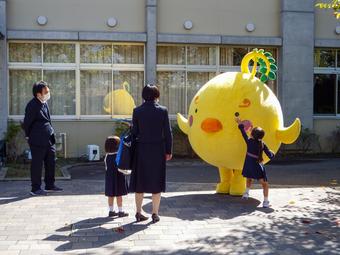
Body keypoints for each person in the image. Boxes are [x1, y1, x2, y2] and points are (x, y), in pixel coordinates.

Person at [129, 84, 173, 223]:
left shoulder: (137, 111)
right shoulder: (162, 111)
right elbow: (167, 133)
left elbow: (134, 133)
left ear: (143, 96)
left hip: (141, 150)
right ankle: (155, 213)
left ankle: (138, 212)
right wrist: (168, 150)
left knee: (140, 182)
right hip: (157, 151)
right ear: (156, 96)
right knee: (156, 182)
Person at [23, 81, 62, 196]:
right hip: (37, 139)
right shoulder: (32, 105)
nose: (48, 93)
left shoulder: (44, 103)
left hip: (48, 138)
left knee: (51, 161)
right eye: (46, 92)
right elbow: (27, 123)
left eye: (48, 91)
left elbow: (48, 120)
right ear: (38, 94)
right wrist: (28, 136)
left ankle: (50, 185)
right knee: (37, 164)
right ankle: (35, 188)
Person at [235, 116, 274, 208]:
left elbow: (243, 132)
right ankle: (265, 202)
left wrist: (240, 123)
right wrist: (273, 153)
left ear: (252, 135)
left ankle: (246, 193)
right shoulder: (262, 144)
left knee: (249, 178)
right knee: (265, 184)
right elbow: (270, 155)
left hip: (248, 164)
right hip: (257, 166)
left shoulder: (249, 141)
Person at [104, 136, 129, 218]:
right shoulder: (118, 157)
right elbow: (121, 168)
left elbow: (106, 167)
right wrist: (128, 172)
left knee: (110, 195)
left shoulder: (107, 156)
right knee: (119, 195)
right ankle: (121, 211)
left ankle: (111, 211)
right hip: (119, 178)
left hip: (109, 179)